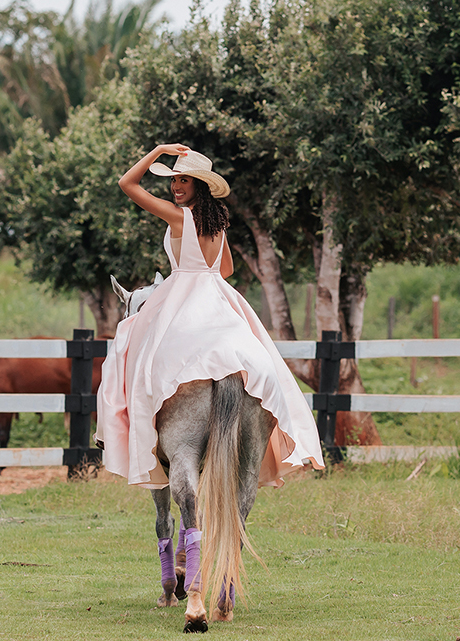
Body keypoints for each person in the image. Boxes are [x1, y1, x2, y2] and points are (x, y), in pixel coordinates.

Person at [95, 143, 324, 489]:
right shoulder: (216, 224)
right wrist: (203, 270)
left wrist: (158, 151)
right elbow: (226, 269)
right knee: (263, 354)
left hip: (182, 294)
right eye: (174, 180)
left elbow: (127, 184)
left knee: (126, 346)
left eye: (183, 180)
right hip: (217, 295)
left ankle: (115, 434)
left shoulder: (178, 217)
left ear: (199, 185)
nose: (175, 186)